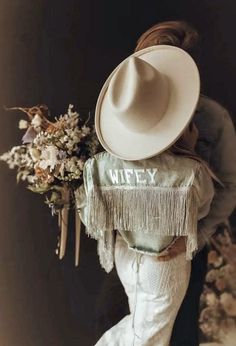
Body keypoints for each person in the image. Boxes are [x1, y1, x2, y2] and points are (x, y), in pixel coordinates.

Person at [92, 21, 236, 346]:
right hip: (131, 246)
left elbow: (228, 187)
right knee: (110, 313)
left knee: (178, 333)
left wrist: (192, 239)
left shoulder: (214, 119)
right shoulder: (121, 116)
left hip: (186, 247)